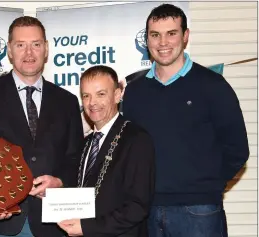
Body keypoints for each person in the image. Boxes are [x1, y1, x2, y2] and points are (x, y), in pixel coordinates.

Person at [123, 4, 250, 237]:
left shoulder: (213, 86)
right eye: (155, 35)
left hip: (200, 211)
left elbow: (237, 149)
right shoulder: (134, 92)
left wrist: (206, 187)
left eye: (171, 33)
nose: (163, 43)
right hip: (146, 211)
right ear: (147, 40)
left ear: (185, 36)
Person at [0, 16, 84, 237]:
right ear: (9, 50)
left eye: (36, 45)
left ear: (46, 49)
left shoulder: (67, 101)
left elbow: (75, 157)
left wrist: (59, 181)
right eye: (21, 45)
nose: (29, 53)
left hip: (54, 223)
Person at [57, 65, 155, 237]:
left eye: (101, 94)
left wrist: (87, 228)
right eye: (86, 96)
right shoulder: (85, 143)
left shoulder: (136, 139)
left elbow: (137, 207)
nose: (92, 103)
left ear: (117, 95)